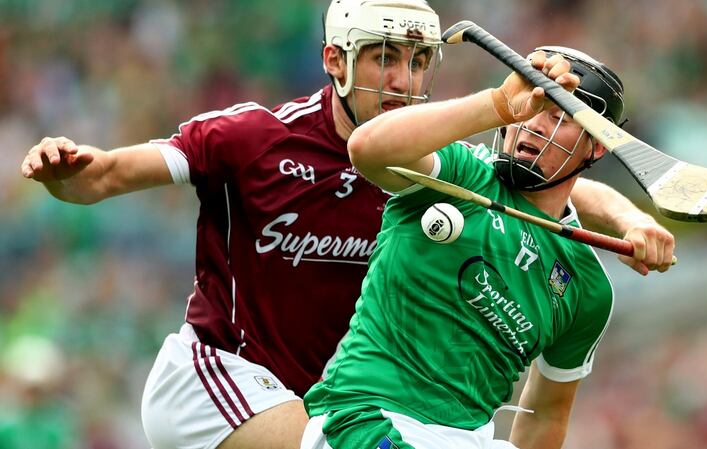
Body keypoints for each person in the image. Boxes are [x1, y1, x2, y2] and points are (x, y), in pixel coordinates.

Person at [18, 1, 673, 448]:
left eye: (418, 63)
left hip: (319, 395)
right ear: (334, 60)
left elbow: (536, 193)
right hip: (222, 375)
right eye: (385, 58)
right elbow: (101, 176)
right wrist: (66, 170)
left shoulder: (442, 165)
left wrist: (625, 209)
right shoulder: (257, 138)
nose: (403, 80)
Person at [302, 45, 673, 449]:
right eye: (530, 107)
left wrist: (634, 218)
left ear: (596, 147)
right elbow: (367, 148)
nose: (534, 125)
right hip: (368, 418)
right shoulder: (459, 172)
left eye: (558, 117)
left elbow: (546, 414)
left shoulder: (587, 288)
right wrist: (497, 103)